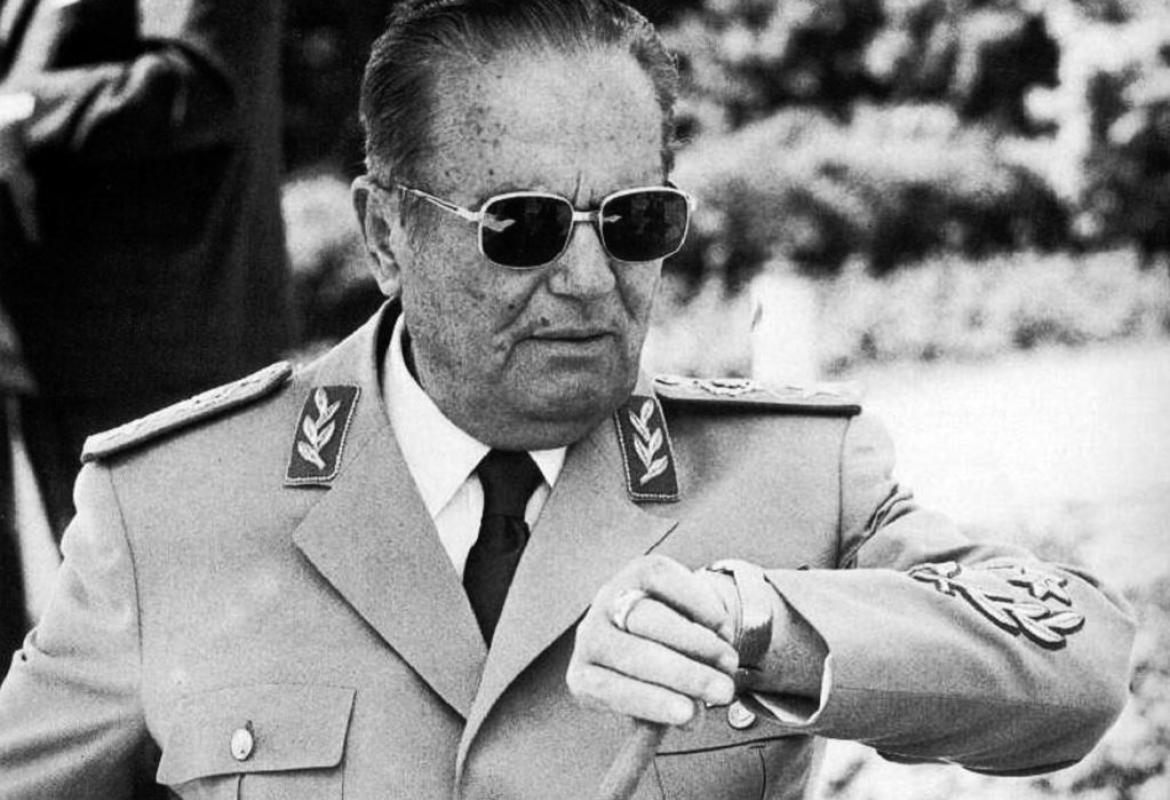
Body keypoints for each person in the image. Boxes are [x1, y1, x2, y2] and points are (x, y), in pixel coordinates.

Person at [0, 1, 1135, 798]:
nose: (591, 280)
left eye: (636, 221)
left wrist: (762, 626)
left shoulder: (789, 476)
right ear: (386, 235)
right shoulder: (175, 511)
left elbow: (1075, 660)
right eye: (524, 226)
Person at [0, 0, 295, 547]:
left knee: (191, 584)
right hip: (57, 347)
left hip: (164, 351)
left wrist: (25, 112)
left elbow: (203, 84)